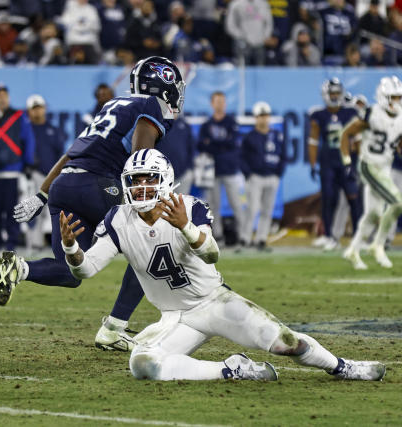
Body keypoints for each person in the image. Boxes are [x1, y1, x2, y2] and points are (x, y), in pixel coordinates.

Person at [59, 148, 386, 382]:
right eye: (135, 180)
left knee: (288, 343)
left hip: (214, 302)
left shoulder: (190, 207)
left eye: (149, 179)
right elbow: (86, 269)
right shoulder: (118, 218)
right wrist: (72, 249)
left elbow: (212, 254)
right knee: (143, 365)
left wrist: (185, 227)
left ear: (165, 180)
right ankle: (231, 369)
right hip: (176, 317)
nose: (141, 187)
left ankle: (342, 366)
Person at [0, 56, 186, 352]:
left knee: (71, 269)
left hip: (64, 186)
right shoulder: (148, 107)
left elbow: (71, 153)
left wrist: (41, 195)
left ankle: (19, 269)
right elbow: (140, 157)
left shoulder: (112, 105)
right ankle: (114, 328)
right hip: (99, 184)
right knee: (147, 245)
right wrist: (147, 188)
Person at [342, 76, 402, 270]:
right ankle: (378, 245)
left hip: (384, 167)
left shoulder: (400, 117)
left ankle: (353, 250)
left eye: (399, 97)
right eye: (393, 97)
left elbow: (397, 144)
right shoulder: (372, 114)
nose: (397, 101)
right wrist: (347, 160)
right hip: (369, 165)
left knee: (373, 214)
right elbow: (346, 134)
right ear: (383, 97)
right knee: (397, 202)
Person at [0, 83, 35, 255]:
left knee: (12, 211)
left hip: (12, 172)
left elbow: (28, 139)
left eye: (4, 95)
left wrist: (28, 163)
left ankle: (11, 243)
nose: (2, 98)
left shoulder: (18, 117)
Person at [308, 78, 361, 251]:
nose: (335, 96)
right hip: (328, 162)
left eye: (338, 93)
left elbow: (358, 139)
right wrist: (313, 164)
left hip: (346, 161)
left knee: (353, 198)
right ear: (326, 95)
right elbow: (313, 141)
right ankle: (329, 236)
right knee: (329, 198)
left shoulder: (350, 113)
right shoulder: (319, 115)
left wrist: (358, 160)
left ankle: (358, 237)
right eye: (332, 93)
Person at [197, 91, 245, 244]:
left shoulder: (231, 122)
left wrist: (212, 144)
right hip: (212, 171)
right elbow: (201, 146)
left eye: (222, 101)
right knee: (213, 205)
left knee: (236, 203)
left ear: (225, 103)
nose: (220, 104)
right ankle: (217, 236)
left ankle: (243, 235)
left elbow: (233, 144)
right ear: (212, 104)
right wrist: (221, 145)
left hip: (230, 169)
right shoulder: (207, 125)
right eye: (217, 101)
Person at [239, 101, 287, 251]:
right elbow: (241, 157)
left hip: (272, 177)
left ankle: (261, 239)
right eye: (260, 116)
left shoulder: (277, 135)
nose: (263, 119)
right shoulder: (250, 137)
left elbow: (283, 155)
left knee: (267, 210)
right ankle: (245, 239)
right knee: (253, 209)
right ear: (255, 118)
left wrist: (278, 173)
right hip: (256, 177)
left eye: (265, 115)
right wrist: (248, 174)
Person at [24, 94, 66, 249]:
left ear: (44, 109)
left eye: (39, 108)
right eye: (34, 109)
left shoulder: (53, 130)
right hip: (33, 174)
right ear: (29, 111)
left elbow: (61, 154)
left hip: (53, 176)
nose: (37, 112)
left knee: (58, 210)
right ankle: (34, 243)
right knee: (35, 208)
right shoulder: (25, 129)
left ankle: (62, 243)